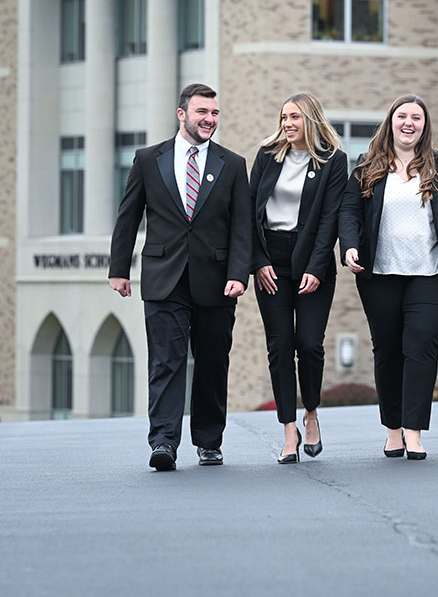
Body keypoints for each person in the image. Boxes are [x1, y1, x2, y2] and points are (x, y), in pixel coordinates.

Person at [109, 83, 251, 471]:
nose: (209, 119)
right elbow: (128, 216)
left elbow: (242, 227)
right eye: (202, 112)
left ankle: (209, 442)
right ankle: (163, 443)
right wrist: (118, 270)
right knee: (166, 362)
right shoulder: (147, 159)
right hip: (163, 277)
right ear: (182, 114)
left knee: (211, 363)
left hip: (217, 280)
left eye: (215, 113)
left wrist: (240, 274)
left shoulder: (233, 164)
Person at [339, 94, 438, 460]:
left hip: (431, 274)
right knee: (387, 350)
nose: (409, 123)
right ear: (391, 122)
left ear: (424, 125)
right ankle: (393, 430)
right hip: (380, 274)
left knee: (421, 347)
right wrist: (349, 247)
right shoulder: (367, 166)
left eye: (416, 117)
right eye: (402, 116)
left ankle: (414, 432)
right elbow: (349, 213)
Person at [249, 93, 347, 464]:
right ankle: (289, 429)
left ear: (312, 120)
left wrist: (316, 267)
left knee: (308, 343)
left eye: (295, 117)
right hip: (270, 260)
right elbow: (249, 211)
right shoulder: (266, 156)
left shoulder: (333, 162)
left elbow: (330, 220)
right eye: (284, 117)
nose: (288, 123)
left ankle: (311, 413)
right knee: (279, 346)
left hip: (311, 262)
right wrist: (258, 262)